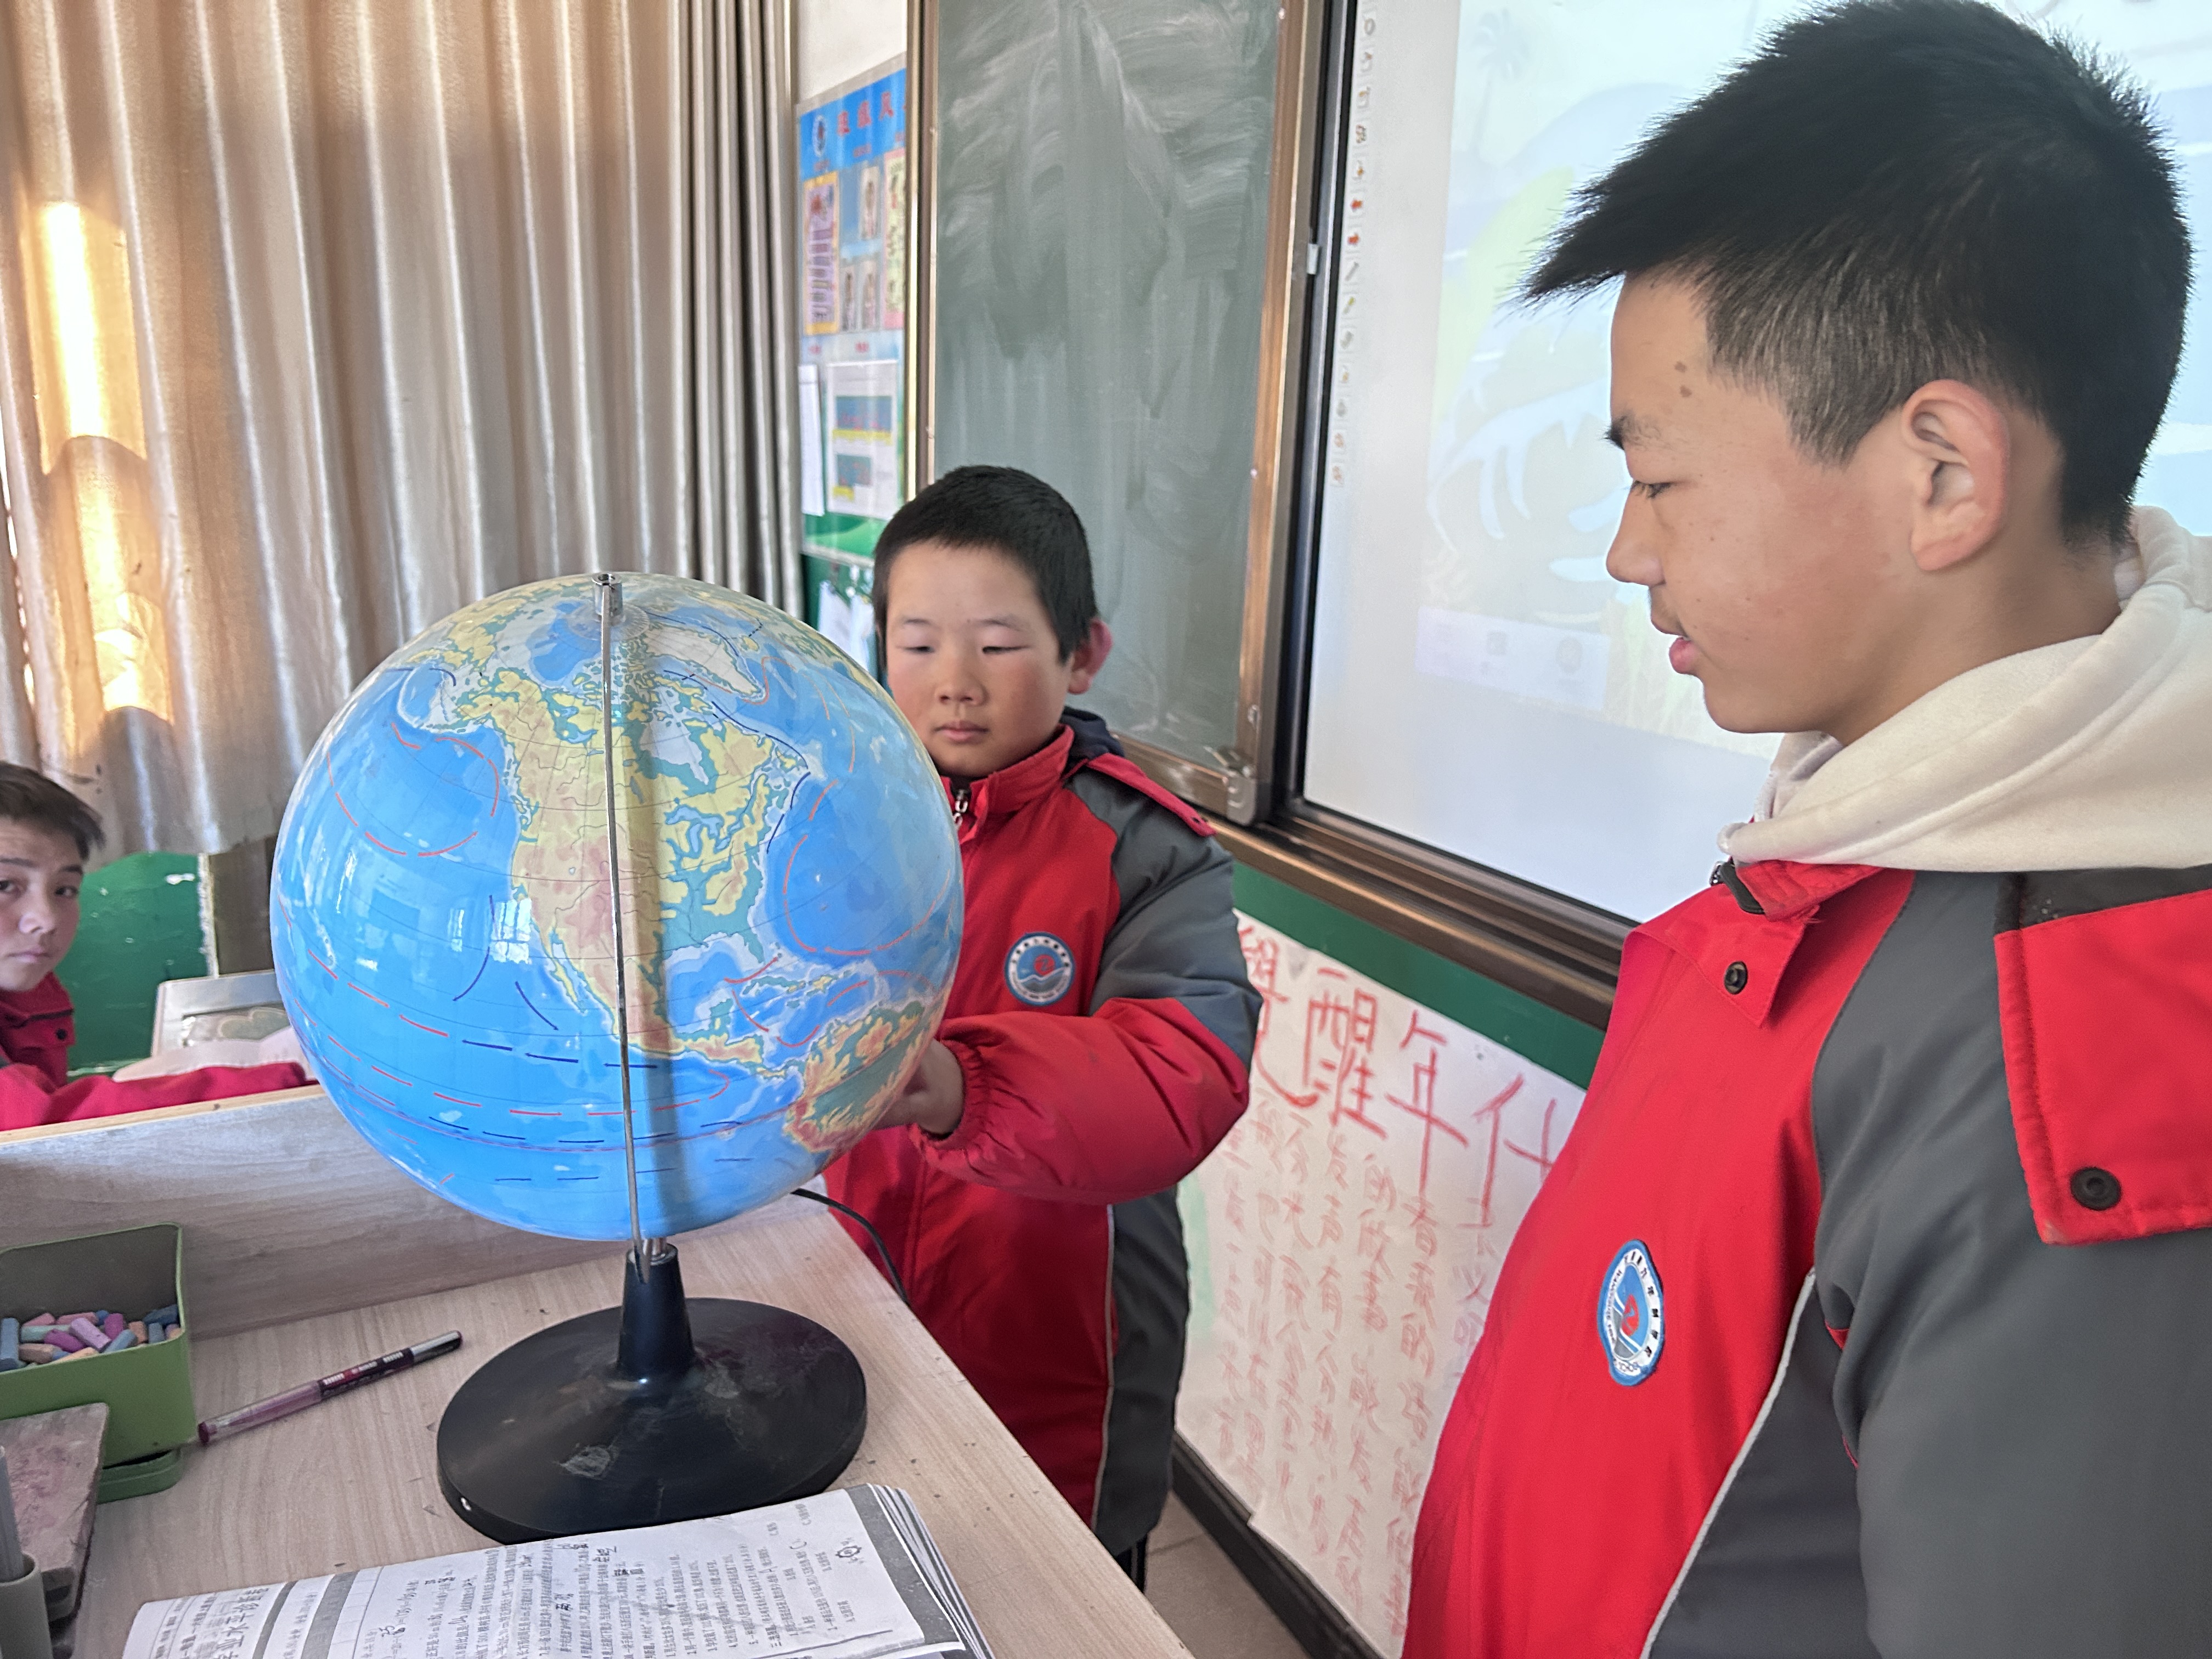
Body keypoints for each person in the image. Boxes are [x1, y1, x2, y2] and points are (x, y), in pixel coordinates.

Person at [1404, 3, 2210, 1655]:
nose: (1627, 554)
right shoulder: (1849, 858)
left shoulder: (2077, 1063)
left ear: (1942, 476)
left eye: (1661, 480)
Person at [826, 466, 1259, 1583]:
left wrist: (962, 1086)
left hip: (1065, 1337)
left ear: (1083, 654)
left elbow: (1182, 1073)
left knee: (1060, 1598)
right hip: (844, 1292)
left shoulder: (1151, 851)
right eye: (918, 643)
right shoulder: (830, 823)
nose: (954, 682)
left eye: (997, 643)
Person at [0, 764, 308, 1131]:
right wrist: (281, 1083)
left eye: (64, 890)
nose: (47, 919)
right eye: (5, 885)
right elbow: (37, 1121)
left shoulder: (33, 988)